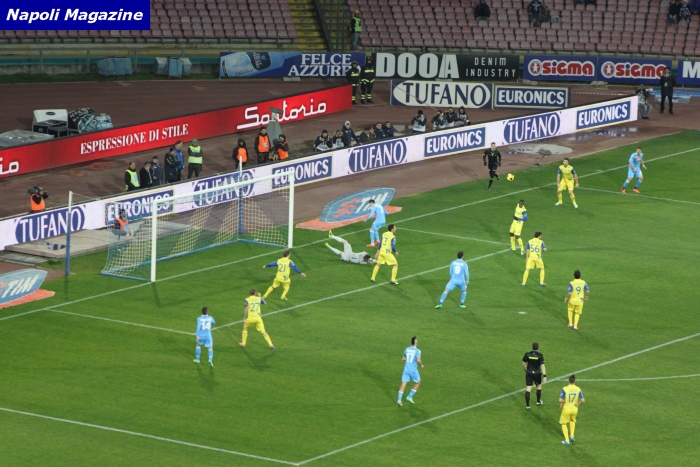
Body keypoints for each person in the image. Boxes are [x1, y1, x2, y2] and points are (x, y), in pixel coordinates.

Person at [397, 336, 424, 406]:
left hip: (406, 369)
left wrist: (408, 359)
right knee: (418, 382)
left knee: (403, 384)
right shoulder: (417, 351)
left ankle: (399, 400)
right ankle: (409, 397)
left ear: (410, 342)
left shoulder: (407, 349)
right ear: (416, 343)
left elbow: (403, 358)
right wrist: (421, 365)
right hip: (413, 370)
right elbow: (418, 360)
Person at [559, 375, 585, 445]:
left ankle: (567, 441)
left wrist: (562, 403)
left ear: (568, 381)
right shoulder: (578, 389)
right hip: (574, 409)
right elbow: (583, 400)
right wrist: (577, 404)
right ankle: (572, 436)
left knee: (563, 423)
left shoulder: (565, 389)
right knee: (572, 420)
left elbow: (560, 399)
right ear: (574, 381)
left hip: (566, 409)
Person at [522, 342, 546, 410]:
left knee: (528, 389)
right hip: (537, 374)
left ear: (532, 347)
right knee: (538, 387)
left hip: (529, 373)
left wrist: (525, 369)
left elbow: (523, 362)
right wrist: (544, 376)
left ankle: (527, 406)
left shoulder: (528, 354)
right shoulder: (540, 355)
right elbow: (542, 366)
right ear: (538, 348)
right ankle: (538, 401)